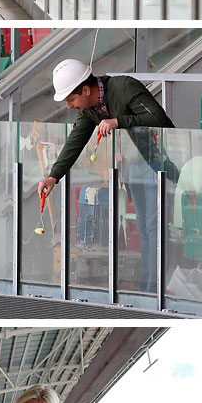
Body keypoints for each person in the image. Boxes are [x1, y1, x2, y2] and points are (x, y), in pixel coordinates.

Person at [38, 58, 178, 296]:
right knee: (145, 227)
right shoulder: (90, 110)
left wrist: (119, 122)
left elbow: (159, 120)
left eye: (71, 99)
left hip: (158, 164)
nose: (70, 106)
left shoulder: (125, 88)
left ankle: (154, 289)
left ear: (85, 89)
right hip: (135, 168)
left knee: (154, 228)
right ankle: (147, 289)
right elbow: (76, 141)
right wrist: (54, 177)